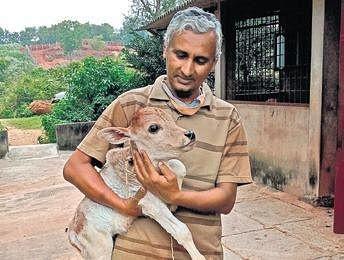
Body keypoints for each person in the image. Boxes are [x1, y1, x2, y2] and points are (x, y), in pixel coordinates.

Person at [63, 6, 252, 260]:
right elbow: (75, 167)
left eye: (200, 60)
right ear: (165, 50)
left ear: (214, 62)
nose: (187, 70)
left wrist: (174, 195)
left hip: (199, 253)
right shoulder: (131, 105)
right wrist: (125, 207)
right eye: (180, 55)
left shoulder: (228, 118)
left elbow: (226, 199)